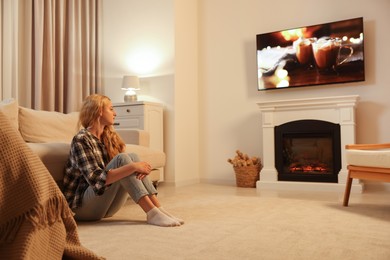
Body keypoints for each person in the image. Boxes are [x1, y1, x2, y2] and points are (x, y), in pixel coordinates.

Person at [62, 94, 183, 227]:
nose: (115, 113)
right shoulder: (82, 139)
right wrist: (133, 167)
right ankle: (152, 213)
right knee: (123, 159)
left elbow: (125, 169)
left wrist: (134, 166)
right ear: (99, 111)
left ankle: (159, 210)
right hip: (81, 208)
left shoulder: (107, 137)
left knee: (132, 157)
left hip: (105, 208)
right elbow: (96, 180)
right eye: (111, 109)